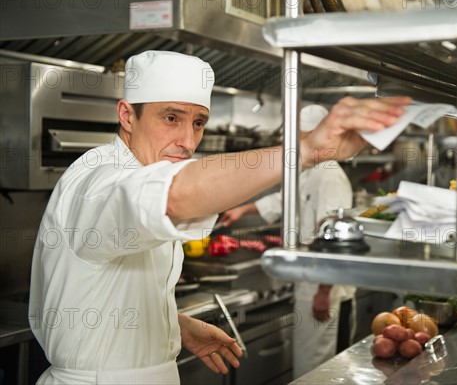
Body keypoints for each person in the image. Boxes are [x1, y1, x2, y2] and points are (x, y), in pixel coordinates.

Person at [28, 50, 412, 384]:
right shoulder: (101, 182)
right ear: (128, 115)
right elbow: (175, 195)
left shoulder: (127, 167)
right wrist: (307, 149)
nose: (188, 141)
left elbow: (104, 289)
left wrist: (172, 325)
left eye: (198, 122)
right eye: (171, 118)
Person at [219, 104, 356, 379]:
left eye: (300, 137)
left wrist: (323, 292)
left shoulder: (329, 176)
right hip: (309, 284)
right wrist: (242, 210)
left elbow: (335, 236)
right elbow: (282, 201)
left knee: (320, 371)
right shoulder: (308, 171)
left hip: (326, 291)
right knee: (308, 366)